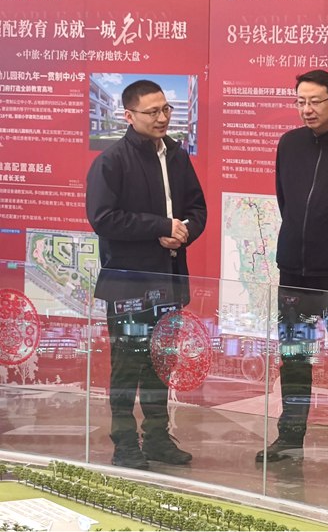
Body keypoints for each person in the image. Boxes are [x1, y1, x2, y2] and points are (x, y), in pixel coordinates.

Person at [86, 79, 207, 470]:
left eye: (165, 109)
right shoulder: (112, 161)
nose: (162, 117)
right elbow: (103, 218)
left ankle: (156, 437)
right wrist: (160, 227)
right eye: (152, 111)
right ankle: (124, 443)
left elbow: (197, 208)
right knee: (127, 366)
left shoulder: (177, 155)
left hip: (170, 280)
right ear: (129, 115)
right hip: (130, 285)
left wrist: (184, 231)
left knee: (161, 363)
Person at [256, 70, 328, 469]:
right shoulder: (289, 144)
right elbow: (285, 201)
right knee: (294, 357)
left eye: (315, 101)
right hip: (294, 271)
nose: (307, 109)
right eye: (300, 101)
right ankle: (289, 439)